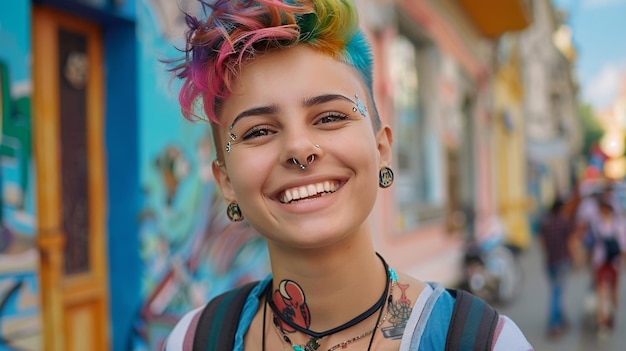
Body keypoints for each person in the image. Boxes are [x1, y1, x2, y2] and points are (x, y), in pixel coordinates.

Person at [164, 0, 533, 350]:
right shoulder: (191, 341)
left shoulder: (485, 343)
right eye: (258, 131)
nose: (299, 148)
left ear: (381, 149)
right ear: (226, 180)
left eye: (330, 117)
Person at [587, 200, 626, 338]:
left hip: (612, 262)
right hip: (602, 261)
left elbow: (623, 246)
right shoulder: (599, 223)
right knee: (602, 292)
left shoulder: (618, 224)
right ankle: (603, 321)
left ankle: (611, 315)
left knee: (613, 292)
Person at [537, 198, 574, 339]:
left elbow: (541, 242)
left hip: (550, 262)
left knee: (556, 290)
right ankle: (554, 325)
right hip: (562, 261)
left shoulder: (545, 223)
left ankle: (562, 319)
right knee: (557, 293)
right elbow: (570, 241)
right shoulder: (563, 222)